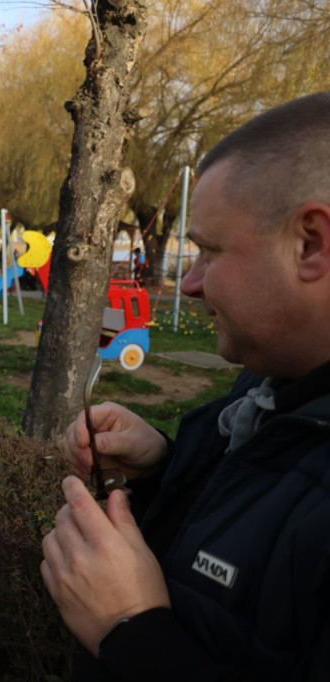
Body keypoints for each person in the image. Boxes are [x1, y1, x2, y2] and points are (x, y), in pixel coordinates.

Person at [41, 92, 330, 681]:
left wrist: (131, 631)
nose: (191, 283)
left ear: (311, 244)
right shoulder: (274, 390)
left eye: (208, 250)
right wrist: (168, 469)